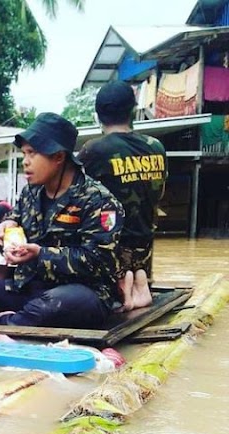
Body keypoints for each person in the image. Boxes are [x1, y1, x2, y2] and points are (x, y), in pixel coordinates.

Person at [0, 112, 124, 330]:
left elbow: (98, 260)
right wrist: (5, 232)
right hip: (28, 288)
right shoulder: (30, 193)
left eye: (32, 153)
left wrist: (40, 254)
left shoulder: (98, 200)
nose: (25, 161)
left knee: (58, 303)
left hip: (78, 293)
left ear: (59, 157)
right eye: (24, 153)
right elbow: (13, 223)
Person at [78, 80, 167, 311]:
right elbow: (159, 194)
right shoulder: (156, 147)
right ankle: (141, 288)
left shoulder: (94, 150)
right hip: (146, 248)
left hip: (111, 253)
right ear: (133, 110)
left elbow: (76, 198)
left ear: (98, 115)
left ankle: (126, 292)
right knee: (140, 288)